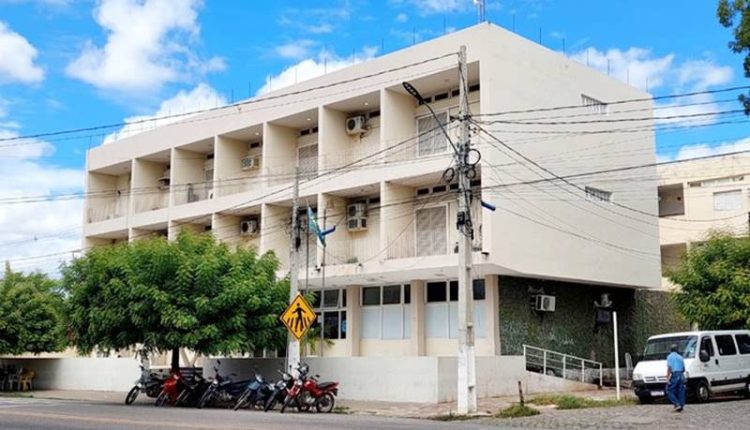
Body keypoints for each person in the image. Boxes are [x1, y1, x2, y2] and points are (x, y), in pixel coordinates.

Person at [666, 344, 686, 412]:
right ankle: (681, 405)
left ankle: (677, 404)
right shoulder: (680, 357)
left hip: (675, 375)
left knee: (669, 390)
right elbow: (683, 369)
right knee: (680, 390)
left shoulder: (669, 357)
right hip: (681, 374)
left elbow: (669, 368)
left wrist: (667, 377)